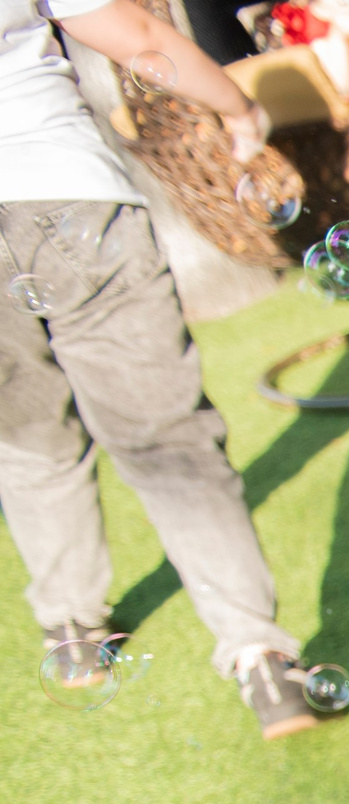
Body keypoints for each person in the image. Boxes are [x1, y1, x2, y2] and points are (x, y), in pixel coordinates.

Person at [1, 0, 321, 736]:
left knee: (28, 442)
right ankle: (260, 656)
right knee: (167, 438)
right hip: (66, 192)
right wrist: (235, 103)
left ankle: (74, 634)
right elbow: (135, 33)